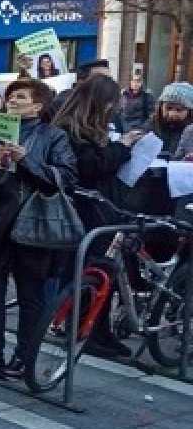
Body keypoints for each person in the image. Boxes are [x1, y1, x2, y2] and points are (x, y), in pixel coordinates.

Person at [0, 78, 77, 379]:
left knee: (30, 295)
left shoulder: (54, 137)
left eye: (21, 97)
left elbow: (64, 178)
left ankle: (24, 357)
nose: (13, 101)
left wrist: (26, 161)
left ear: (39, 106)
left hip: (30, 223)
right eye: (11, 96)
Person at [53, 75, 148, 358]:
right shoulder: (74, 128)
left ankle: (90, 327)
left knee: (93, 268)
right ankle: (90, 330)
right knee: (95, 267)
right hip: (88, 209)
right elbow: (92, 166)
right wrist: (123, 147)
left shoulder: (77, 124)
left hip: (91, 207)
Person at [148, 82, 193, 154]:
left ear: (189, 112)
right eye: (168, 108)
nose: (172, 114)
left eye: (179, 110)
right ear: (160, 107)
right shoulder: (151, 125)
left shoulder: (190, 132)